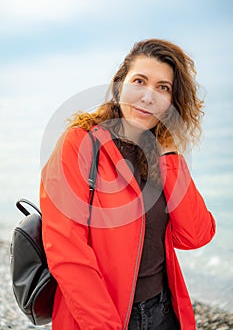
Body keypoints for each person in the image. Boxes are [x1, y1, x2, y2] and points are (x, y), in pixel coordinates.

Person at [40, 38, 216, 330]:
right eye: (139, 81)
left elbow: (195, 235)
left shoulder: (161, 154)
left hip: (165, 312)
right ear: (120, 83)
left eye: (163, 88)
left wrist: (170, 154)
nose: (148, 96)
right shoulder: (80, 143)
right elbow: (65, 247)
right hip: (102, 317)